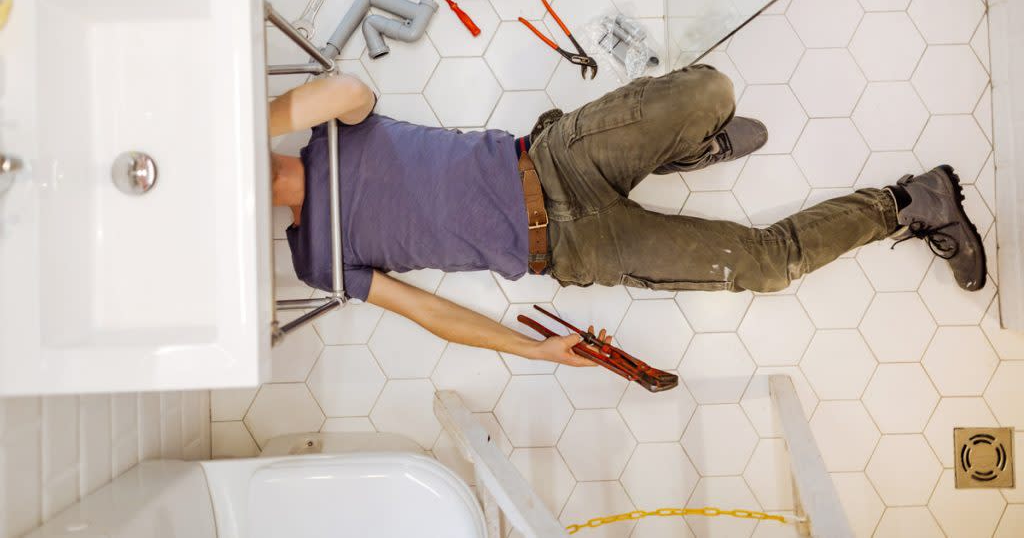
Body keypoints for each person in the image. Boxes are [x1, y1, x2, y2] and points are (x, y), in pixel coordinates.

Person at [270, 65, 986, 367]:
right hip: (577, 248)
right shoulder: (313, 259)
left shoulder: (334, 128)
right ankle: (912, 201)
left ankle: (686, 143)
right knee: (767, 267)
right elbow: (426, 311)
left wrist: (248, 126)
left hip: (554, 160)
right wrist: (530, 349)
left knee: (712, 90)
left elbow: (351, 86)